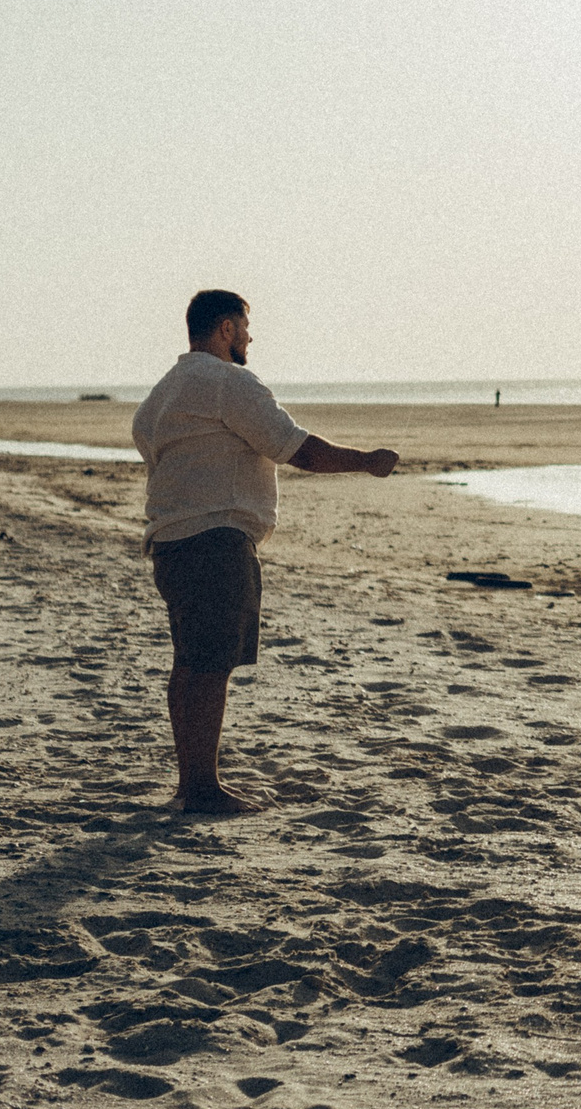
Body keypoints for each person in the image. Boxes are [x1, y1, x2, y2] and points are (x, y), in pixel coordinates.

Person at [133, 290, 399, 813]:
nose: (251, 338)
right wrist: (367, 461)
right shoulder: (227, 382)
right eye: (245, 327)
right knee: (211, 665)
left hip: (170, 544)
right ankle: (202, 789)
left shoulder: (160, 396)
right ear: (226, 329)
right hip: (216, 540)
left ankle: (190, 784)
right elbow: (297, 448)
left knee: (189, 662)